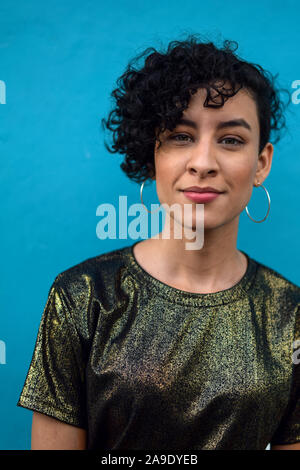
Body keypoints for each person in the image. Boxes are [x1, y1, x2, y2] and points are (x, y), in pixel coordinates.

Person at [17, 34, 300, 450]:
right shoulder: (82, 298)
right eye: (181, 136)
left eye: (231, 139)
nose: (202, 163)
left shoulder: (290, 315)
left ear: (261, 164)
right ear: (151, 156)